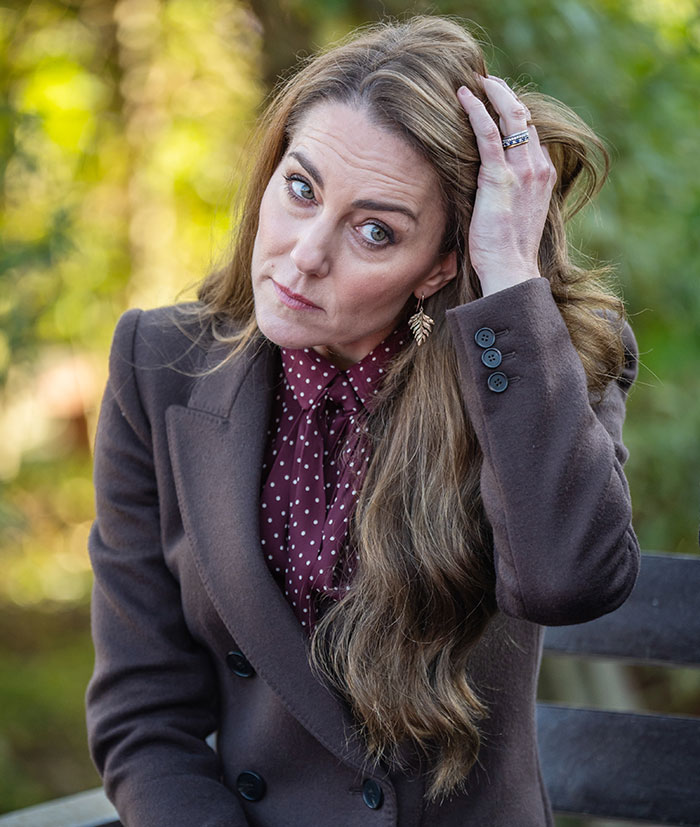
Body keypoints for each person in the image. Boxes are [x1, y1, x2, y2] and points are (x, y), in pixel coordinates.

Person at [86, 15, 640, 827]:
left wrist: (510, 279)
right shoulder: (158, 365)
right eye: (302, 188)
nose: (306, 253)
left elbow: (570, 579)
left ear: (442, 264)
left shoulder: (537, 363)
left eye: (375, 230)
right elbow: (144, 716)